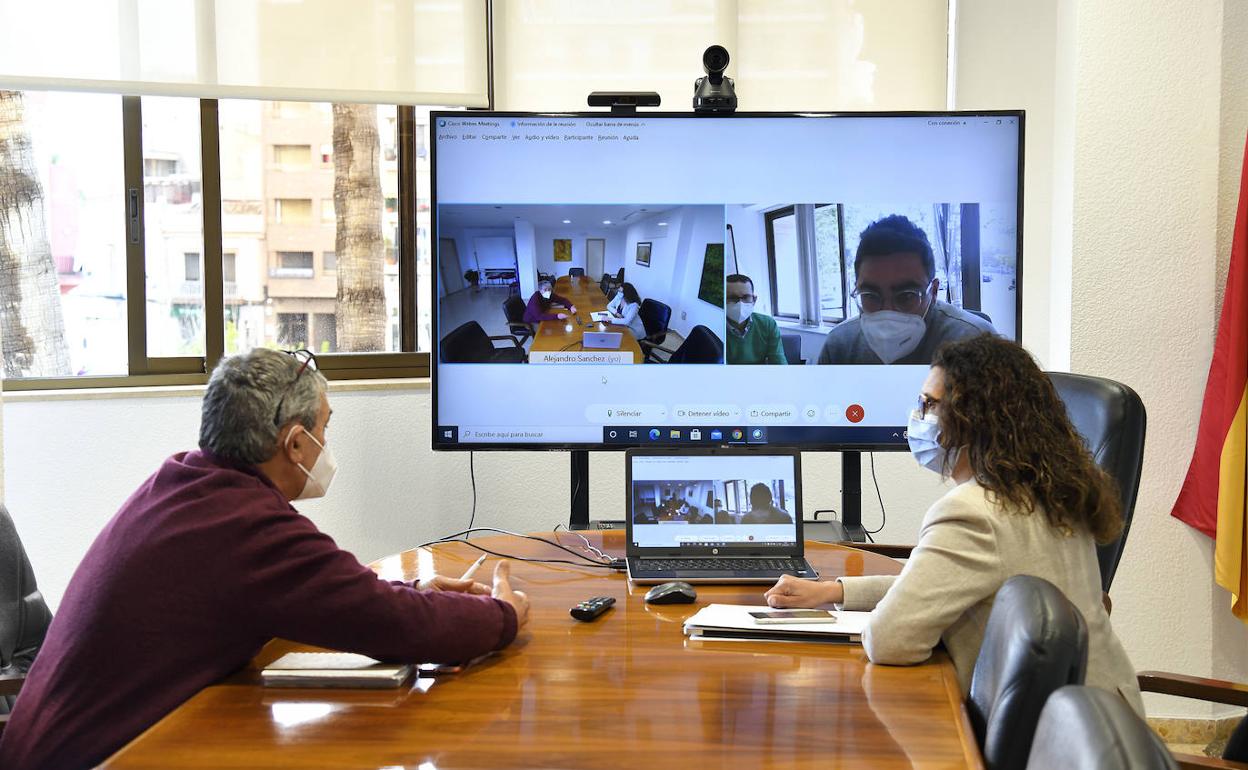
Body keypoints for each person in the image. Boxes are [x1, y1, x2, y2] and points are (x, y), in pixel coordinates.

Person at [0, 349, 531, 770]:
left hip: (62, 743)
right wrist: (502, 614)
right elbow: (391, 623)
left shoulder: (186, 483)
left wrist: (416, 592)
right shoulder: (244, 528)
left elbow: (331, 596)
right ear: (295, 444)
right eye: (325, 427)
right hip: (97, 758)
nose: (327, 444)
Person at [765, 334, 1143, 713]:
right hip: (1101, 716)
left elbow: (890, 640)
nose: (917, 414)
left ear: (974, 416)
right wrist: (834, 591)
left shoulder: (972, 512)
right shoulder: (1053, 488)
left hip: (1045, 738)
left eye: (929, 404)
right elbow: (945, 582)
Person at [817, 215, 997, 365]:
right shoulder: (839, 346)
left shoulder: (974, 343)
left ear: (933, 292)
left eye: (906, 296)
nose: (887, 313)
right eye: (870, 296)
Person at [725, 274, 787, 365]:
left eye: (746, 297)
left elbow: (779, 363)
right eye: (732, 298)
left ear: (754, 300)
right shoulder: (714, 326)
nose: (740, 303)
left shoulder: (768, 324)